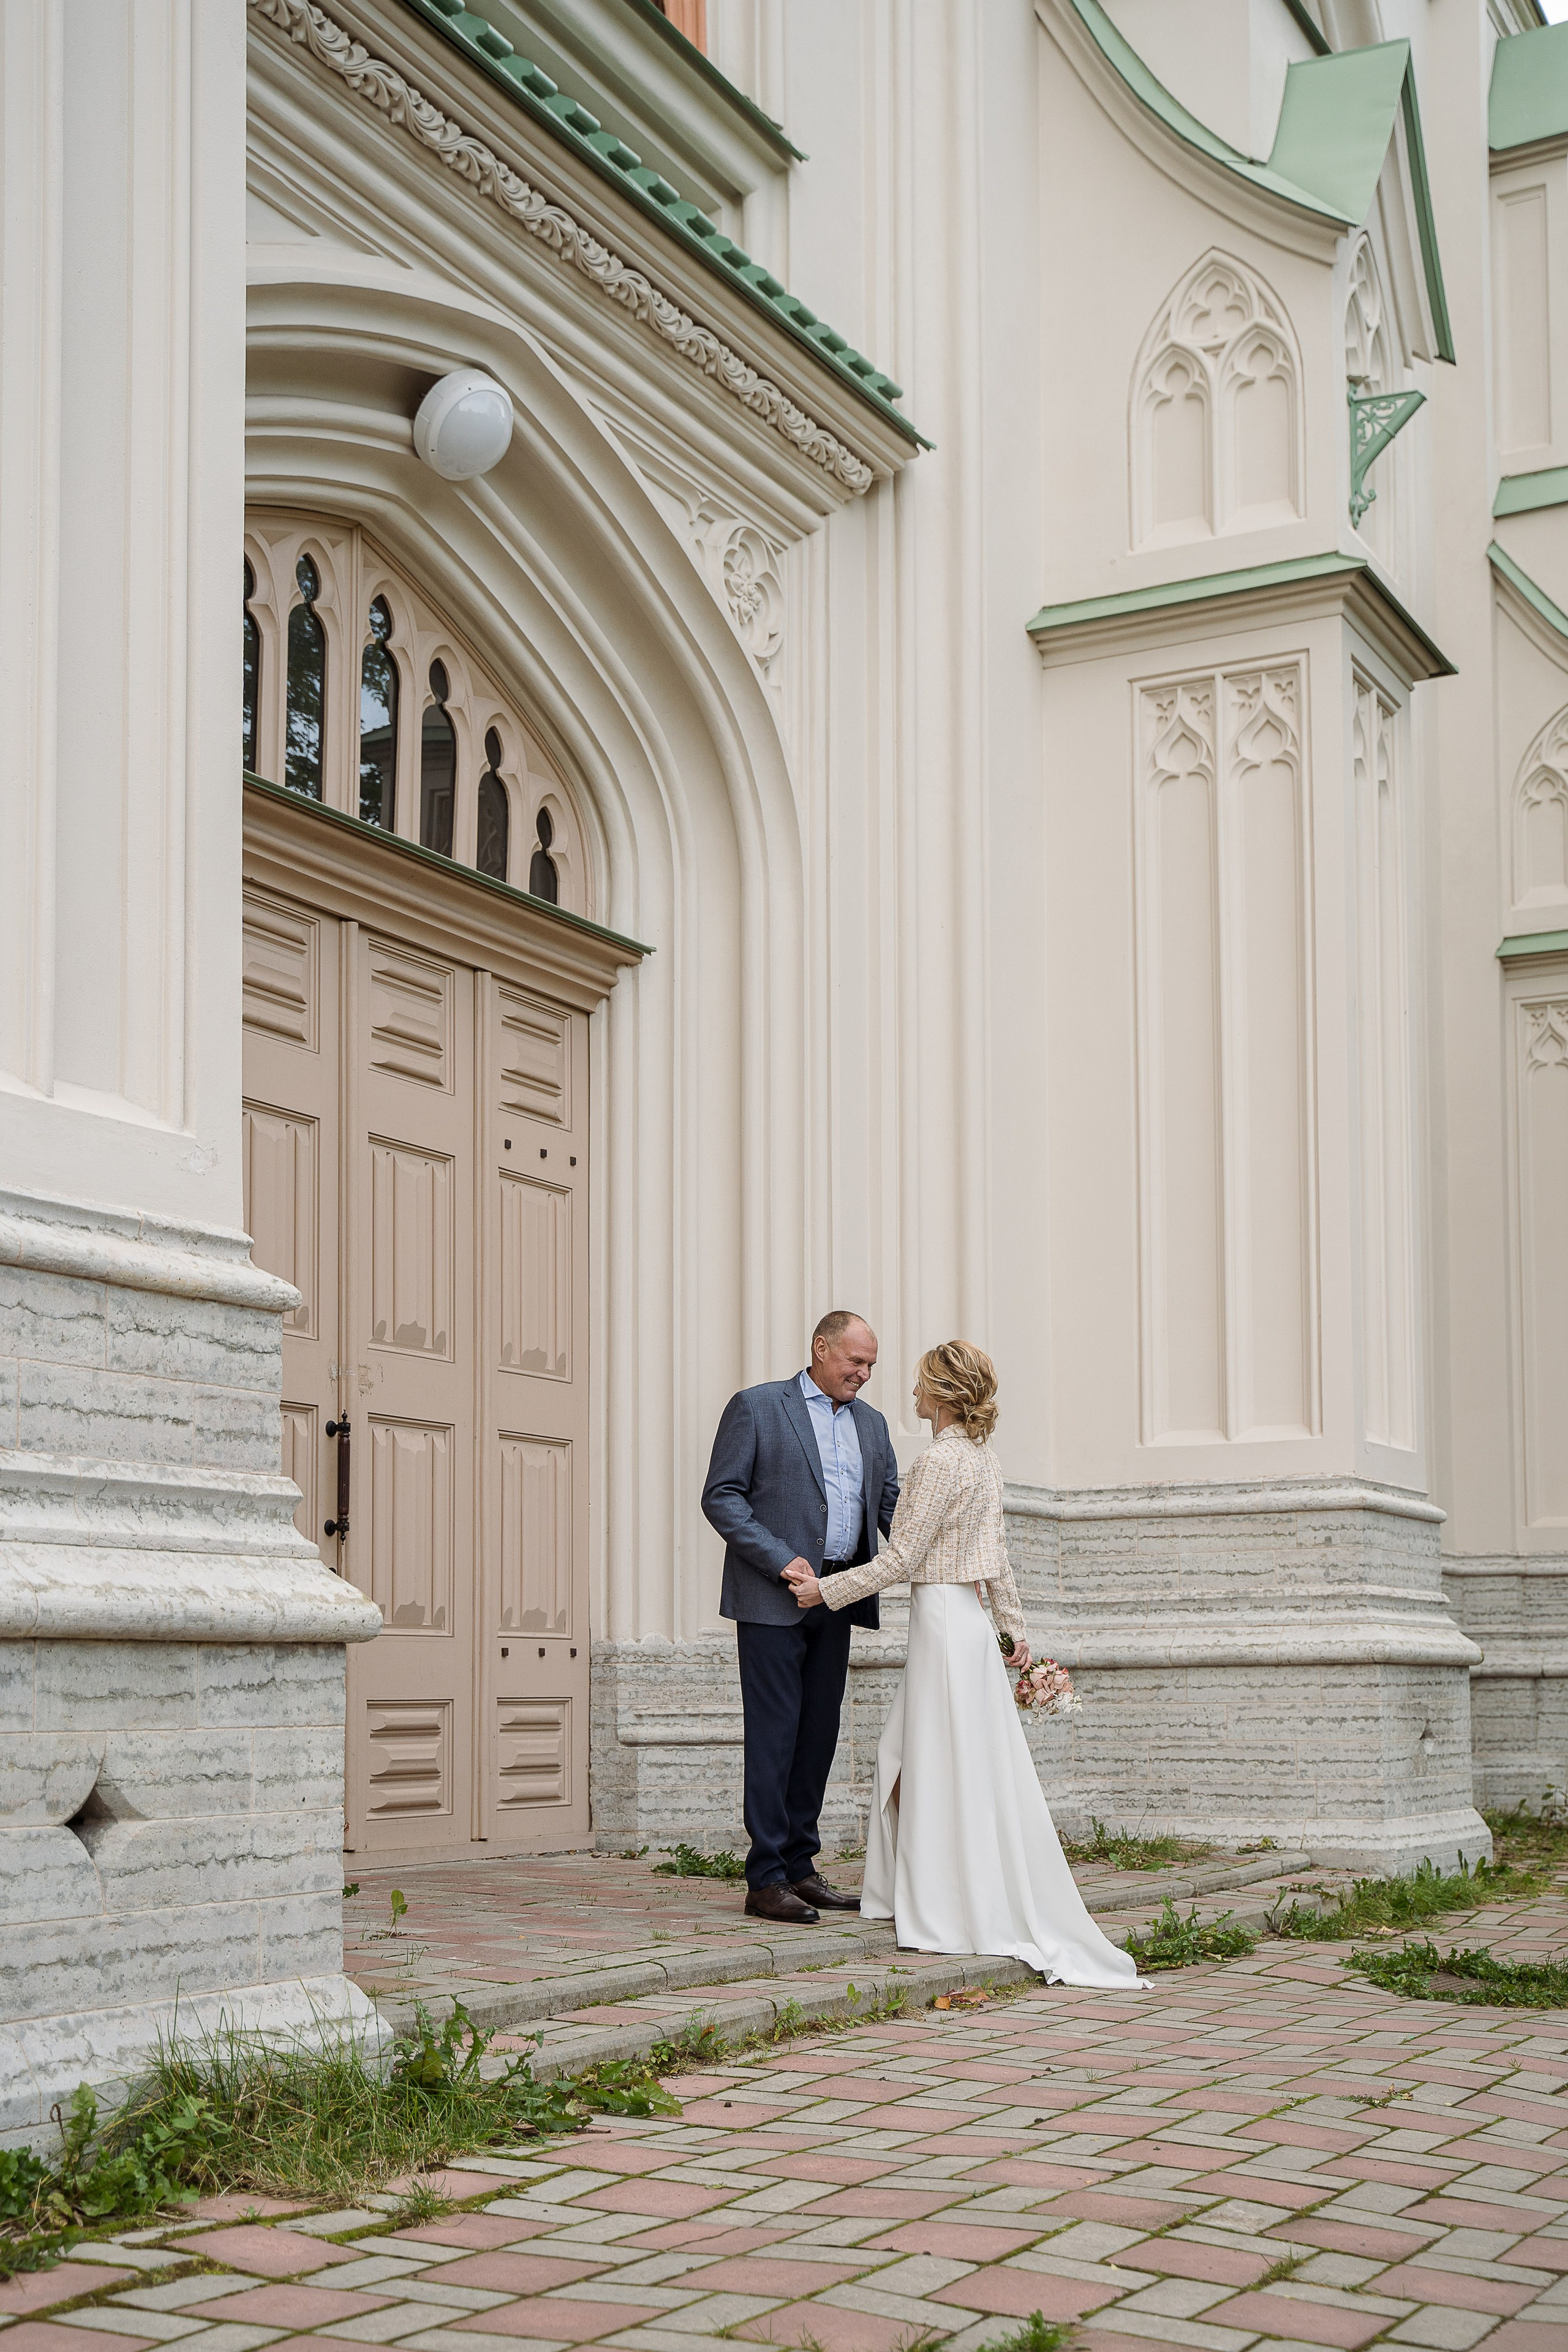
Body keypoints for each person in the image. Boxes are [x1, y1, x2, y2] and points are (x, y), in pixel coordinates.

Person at [784, 1341, 1144, 1989]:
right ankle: (916, 1891)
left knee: (930, 1763)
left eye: (922, 1385)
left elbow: (902, 1561)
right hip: (967, 1627)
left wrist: (824, 1592)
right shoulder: (984, 1462)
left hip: (946, 1628)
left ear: (944, 1396)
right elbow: (998, 1558)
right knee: (927, 1757)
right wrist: (1013, 1633)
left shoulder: (938, 1463)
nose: (913, 1394)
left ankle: (939, 1904)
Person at [703, 1311, 900, 1923]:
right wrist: (781, 1561)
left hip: (839, 1596)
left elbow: (891, 1501)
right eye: (855, 1362)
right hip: (773, 1598)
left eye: (870, 1366)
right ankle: (765, 1878)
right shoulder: (758, 1407)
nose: (863, 1375)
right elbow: (722, 1496)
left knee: (816, 1734)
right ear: (820, 1348)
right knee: (774, 1736)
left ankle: (800, 1866)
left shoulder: (872, 1424)